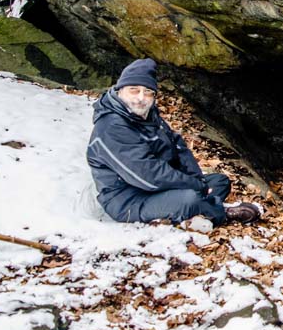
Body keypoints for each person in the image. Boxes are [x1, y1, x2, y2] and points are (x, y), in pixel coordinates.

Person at [86, 58, 259, 227]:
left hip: (159, 190)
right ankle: (220, 213)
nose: (141, 97)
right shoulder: (111, 127)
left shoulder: (148, 116)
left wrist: (197, 180)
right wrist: (196, 186)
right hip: (129, 200)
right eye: (134, 90)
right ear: (120, 91)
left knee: (219, 182)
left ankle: (197, 211)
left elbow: (177, 148)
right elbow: (148, 176)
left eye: (148, 92)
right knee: (190, 198)